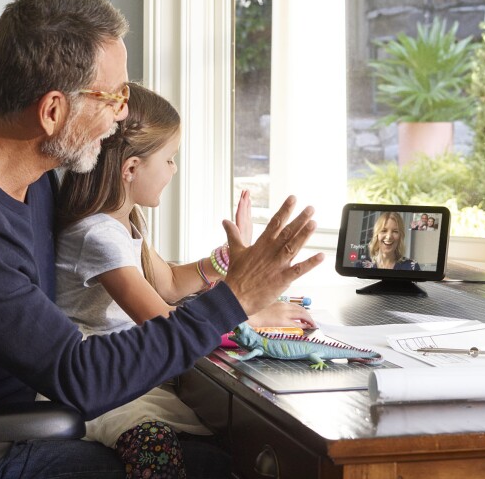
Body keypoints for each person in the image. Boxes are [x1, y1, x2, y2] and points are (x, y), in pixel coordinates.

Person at [0, 0, 323, 479]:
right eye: (114, 97)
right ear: (52, 112)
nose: (124, 113)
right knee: (228, 467)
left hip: (21, 415)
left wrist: (220, 277)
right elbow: (81, 375)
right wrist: (235, 298)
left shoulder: (27, 171)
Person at [50, 83, 314, 477]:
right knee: (157, 444)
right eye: (170, 159)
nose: (174, 170)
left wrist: (224, 262)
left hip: (124, 372)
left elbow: (169, 283)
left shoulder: (122, 220)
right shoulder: (99, 236)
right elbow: (161, 321)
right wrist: (248, 311)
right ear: (131, 169)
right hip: (102, 383)